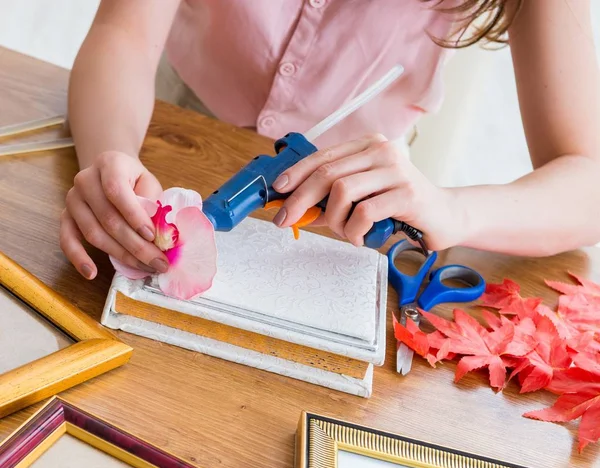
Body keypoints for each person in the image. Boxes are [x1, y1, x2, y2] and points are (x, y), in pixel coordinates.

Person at [61, 0, 600, 281]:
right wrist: (110, 154)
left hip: (355, 192)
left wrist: (454, 210)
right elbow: (124, 35)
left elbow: (588, 182)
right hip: (170, 125)